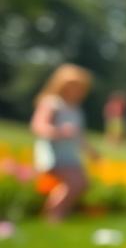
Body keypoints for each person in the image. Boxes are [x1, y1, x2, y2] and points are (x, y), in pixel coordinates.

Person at [30, 64, 97, 221]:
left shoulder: (75, 108)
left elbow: (78, 135)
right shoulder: (52, 103)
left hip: (69, 154)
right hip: (53, 152)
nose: (77, 91)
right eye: (73, 87)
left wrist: (91, 151)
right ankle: (54, 215)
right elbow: (38, 126)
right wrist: (59, 131)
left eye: (80, 88)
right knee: (75, 182)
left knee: (81, 183)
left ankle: (58, 214)